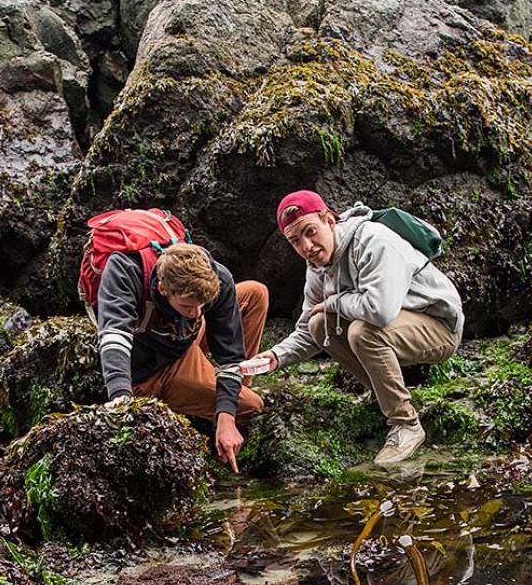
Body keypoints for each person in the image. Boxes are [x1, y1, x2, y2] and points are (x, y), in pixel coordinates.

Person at [249, 190, 464, 467]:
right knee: (319, 323)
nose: (307, 246)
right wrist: (274, 357)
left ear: (329, 220)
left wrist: (335, 302)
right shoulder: (317, 265)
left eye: (310, 231)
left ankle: (406, 424)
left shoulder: (373, 240)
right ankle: (382, 397)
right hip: (392, 325)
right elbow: (307, 329)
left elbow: (380, 310)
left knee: (363, 332)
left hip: (439, 327)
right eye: (295, 241)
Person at [97, 241, 268, 472]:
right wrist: (120, 398)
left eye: (203, 305)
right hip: (153, 370)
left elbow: (230, 356)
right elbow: (114, 338)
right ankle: (224, 397)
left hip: (183, 337)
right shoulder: (124, 271)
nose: (197, 313)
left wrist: (226, 415)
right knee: (252, 407)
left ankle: (228, 394)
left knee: (255, 293)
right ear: (163, 289)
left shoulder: (217, 278)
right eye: (188, 305)